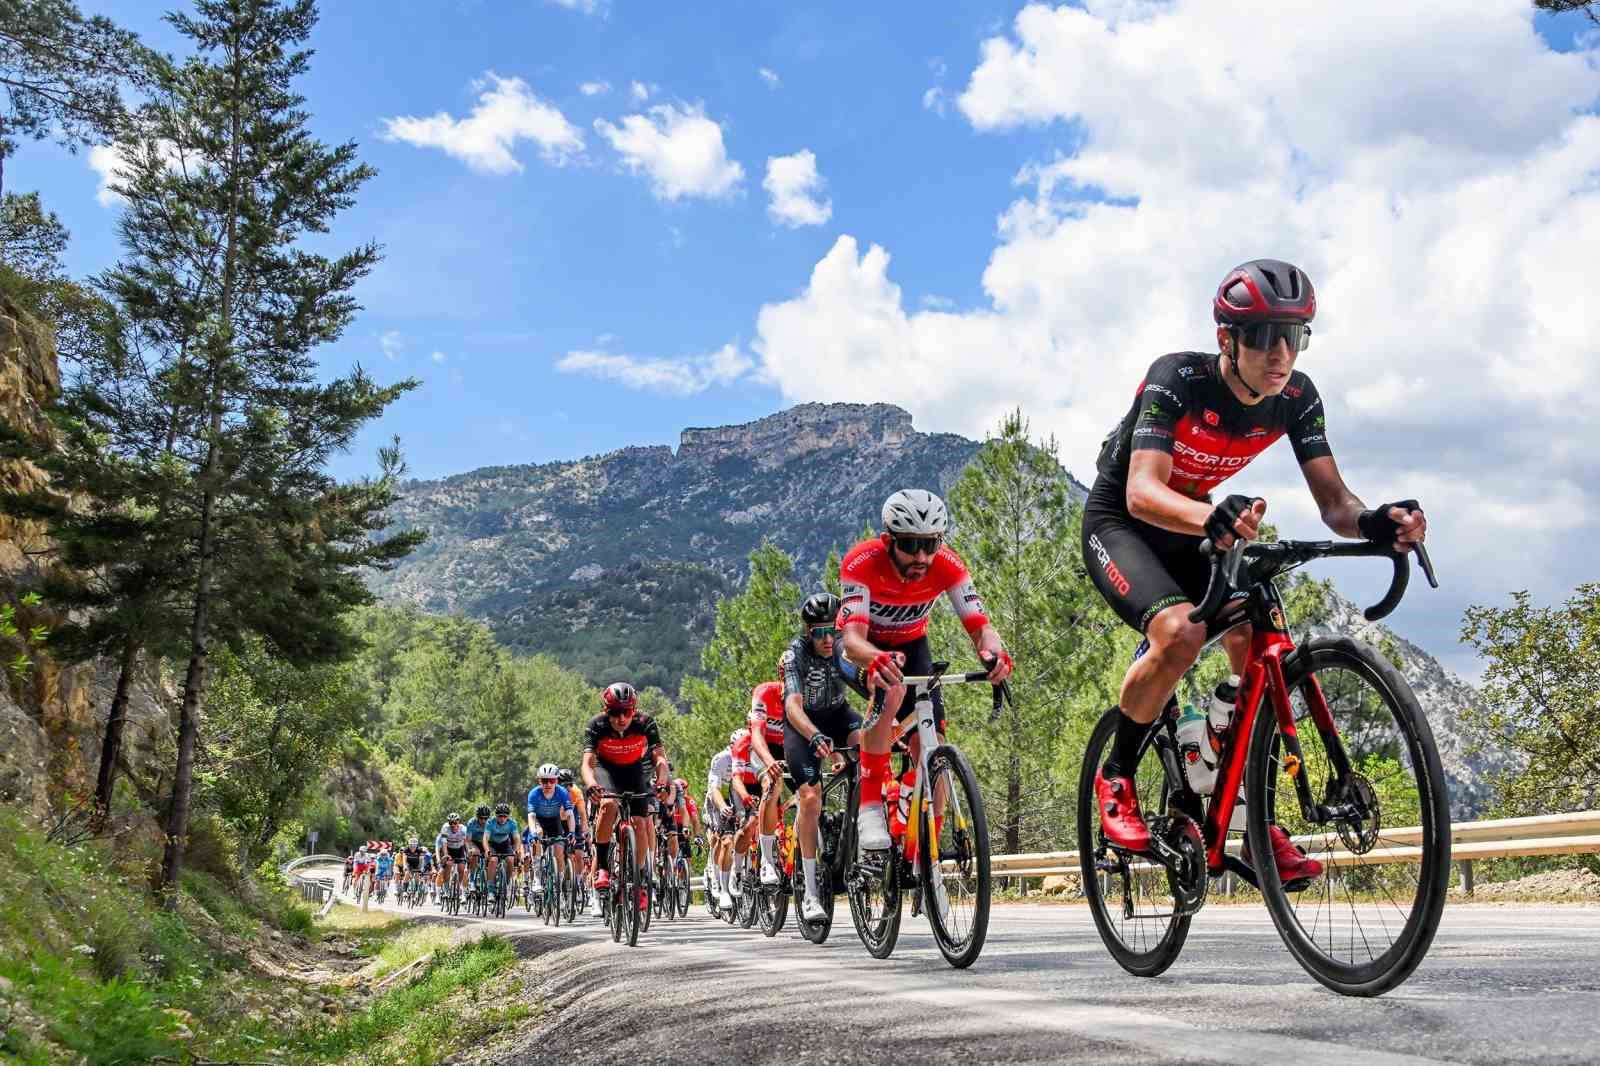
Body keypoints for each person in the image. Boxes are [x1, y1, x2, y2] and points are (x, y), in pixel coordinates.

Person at [1082, 258, 1426, 885]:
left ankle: (1248, 801)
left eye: (1295, 337)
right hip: (1125, 523)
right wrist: (1214, 513)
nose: (1282, 354)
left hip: (1199, 524)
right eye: (1266, 337)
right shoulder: (1176, 379)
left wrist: (1378, 520)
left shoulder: (1297, 398)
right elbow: (1141, 491)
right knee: (1182, 634)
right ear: (1227, 339)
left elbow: (1335, 505)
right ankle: (1118, 777)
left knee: (1258, 630)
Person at [838, 489, 1013, 851]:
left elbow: (981, 627)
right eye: (910, 544)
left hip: (912, 645)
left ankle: (925, 855)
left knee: (931, 741)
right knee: (890, 689)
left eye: (930, 544)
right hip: (862, 648)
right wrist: (874, 659)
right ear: (888, 540)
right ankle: (871, 805)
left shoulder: (947, 564)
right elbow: (852, 639)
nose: (921, 557)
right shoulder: (862, 563)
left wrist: (992, 653)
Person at [781, 591, 864, 923]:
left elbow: (868, 685)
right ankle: (812, 890)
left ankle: (867, 840)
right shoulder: (795, 656)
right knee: (811, 798)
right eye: (819, 633)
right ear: (807, 631)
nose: (828, 639)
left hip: (839, 713)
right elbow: (791, 705)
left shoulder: (846, 645)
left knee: (872, 749)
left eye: (833, 630)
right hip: (804, 723)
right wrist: (813, 734)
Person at [581, 681, 671, 914]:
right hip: (606, 770)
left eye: (627, 712)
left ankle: (638, 880)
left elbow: (660, 758)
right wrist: (591, 784)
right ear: (605, 711)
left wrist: (662, 780)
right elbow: (588, 763)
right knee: (609, 805)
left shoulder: (645, 723)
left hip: (634, 770)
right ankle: (602, 867)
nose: (622, 718)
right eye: (615, 712)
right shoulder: (597, 725)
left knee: (641, 823)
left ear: (634, 710)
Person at [746, 679, 791, 887]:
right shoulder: (764, 692)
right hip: (763, 748)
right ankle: (767, 861)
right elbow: (757, 734)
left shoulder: (808, 695)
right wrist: (769, 761)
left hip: (789, 747)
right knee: (772, 784)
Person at [526, 762, 576, 893]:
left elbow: (570, 815)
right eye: (544, 781)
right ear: (539, 781)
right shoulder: (533, 794)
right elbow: (531, 816)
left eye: (552, 781)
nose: (548, 784)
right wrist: (533, 834)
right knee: (538, 834)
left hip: (555, 821)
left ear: (557, 781)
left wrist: (571, 832)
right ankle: (537, 878)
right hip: (539, 820)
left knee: (559, 852)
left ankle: (559, 882)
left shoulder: (562, 792)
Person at [704, 733, 738, 911]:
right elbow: (714, 789)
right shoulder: (721, 759)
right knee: (720, 839)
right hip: (717, 800)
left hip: (736, 798)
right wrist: (723, 807)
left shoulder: (750, 756)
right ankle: (714, 873)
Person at [478, 803, 523, 901]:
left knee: (511, 859)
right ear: (496, 815)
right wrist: (487, 850)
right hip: (492, 844)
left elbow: (517, 839)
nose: (502, 818)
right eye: (500, 816)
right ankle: (490, 890)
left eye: (505, 816)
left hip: (505, 844)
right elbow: (485, 838)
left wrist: (516, 850)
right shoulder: (490, 823)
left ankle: (506, 884)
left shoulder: (512, 823)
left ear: (508, 816)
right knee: (493, 860)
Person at [436, 812, 471, 897]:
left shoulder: (463, 829)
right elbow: (444, 844)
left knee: (461, 868)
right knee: (448, 865)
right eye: (451, 823)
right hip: (449, 850)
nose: (453, 825)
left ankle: (459, 888)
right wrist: (446, 855)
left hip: (460, 850)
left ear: (458, 822)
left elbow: (466, 843)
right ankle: (447, 888)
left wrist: (468, 852)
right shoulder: (445, 828)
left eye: (455, 822)